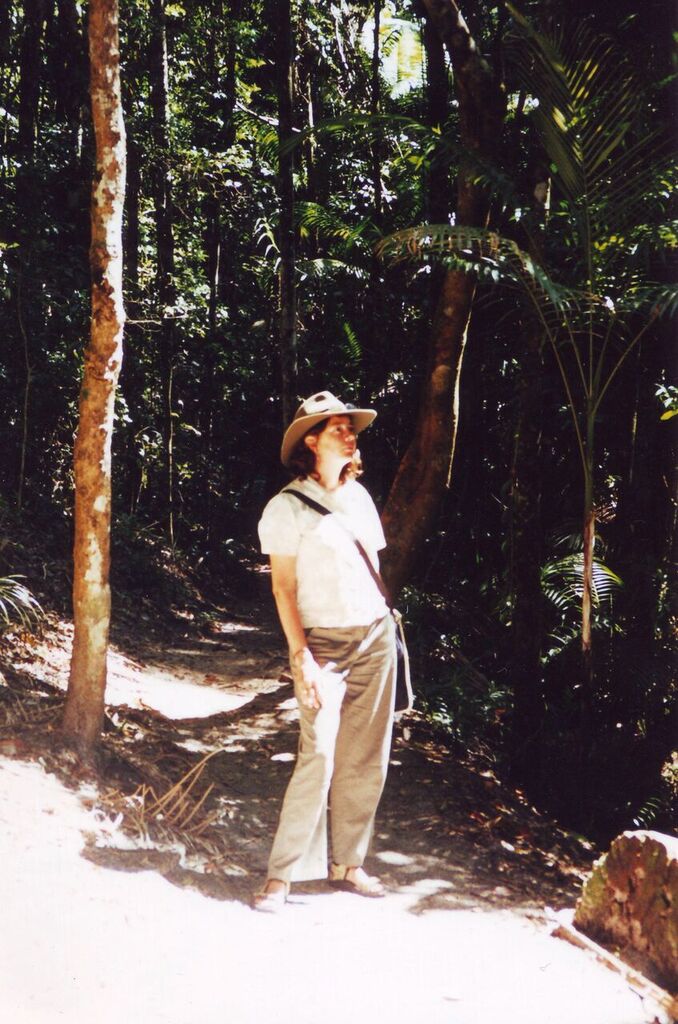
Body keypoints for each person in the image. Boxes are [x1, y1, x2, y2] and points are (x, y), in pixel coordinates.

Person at [254, 390, 397, 911]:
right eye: (335, 426)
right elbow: (283, 591)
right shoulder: (284, 508)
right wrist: (304, 658)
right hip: (324, 647)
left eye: (348, 425)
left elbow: (374, 570)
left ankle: (346, 864)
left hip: (375, 639)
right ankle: (281, 876)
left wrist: (381, 631)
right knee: (317, 754)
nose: (347, 431)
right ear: (311, 440)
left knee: (366, 757)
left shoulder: (359, 498)